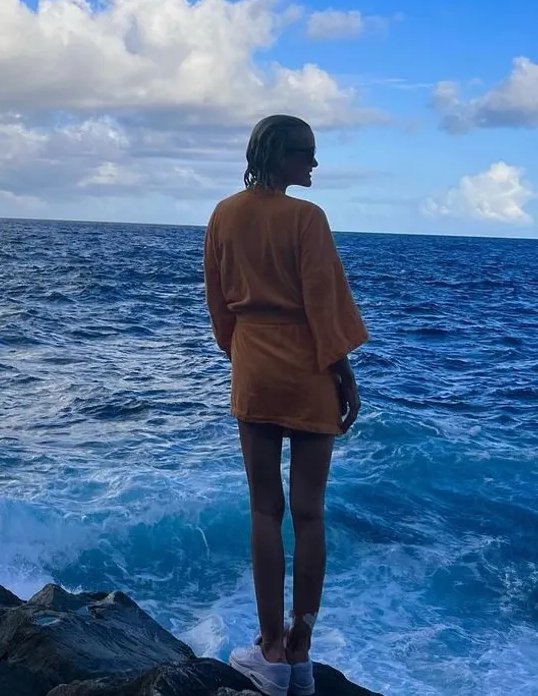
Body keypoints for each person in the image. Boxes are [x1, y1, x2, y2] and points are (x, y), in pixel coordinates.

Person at [203, 114, 368, 696]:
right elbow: (324, 304)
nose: (315, 164)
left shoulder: (223, 214)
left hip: (255, 364)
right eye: (307, 153)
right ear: (277, 153)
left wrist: (244, 354)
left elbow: (218, 303)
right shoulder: (308, 219)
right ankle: (299, 650)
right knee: (310, 513)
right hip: (308, 368)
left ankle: (268, 650)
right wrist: (343, 373)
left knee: (264, 511)